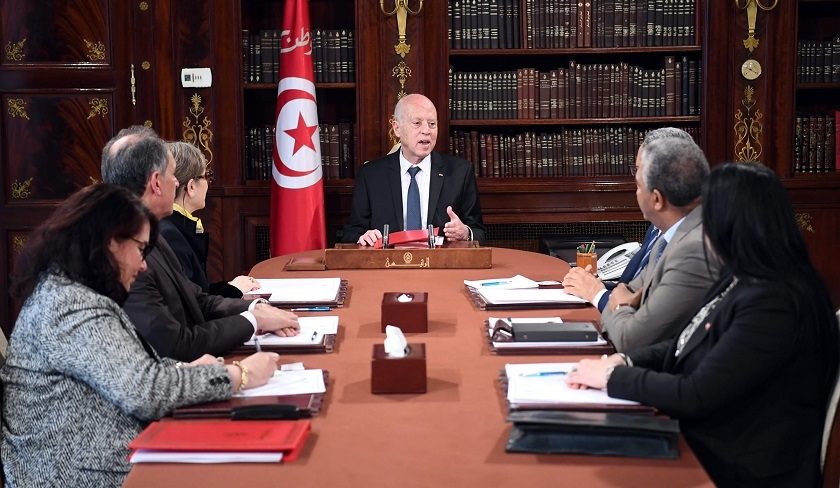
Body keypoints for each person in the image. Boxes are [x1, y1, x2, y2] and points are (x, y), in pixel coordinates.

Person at [566, 163, 839, 486]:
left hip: (740, 466)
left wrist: (613, 378)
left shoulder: (776, 301)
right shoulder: (747, 275)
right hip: (716, 439)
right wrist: (628, 360)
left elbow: (696, 395)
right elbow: (687, 342)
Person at [0, 184, 281, 487]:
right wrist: (239, 375)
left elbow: (129, 368)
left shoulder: (73, 291)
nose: (144, 264)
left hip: (100, 454)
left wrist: (181, 369)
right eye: (140, 249)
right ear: (110, 243)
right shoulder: (70, 305)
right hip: (75, 474)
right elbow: (145, 393)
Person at [101, 126, 299, 361]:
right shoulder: (125, 254)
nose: (177, 183)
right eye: (173, 175)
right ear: (156, 183)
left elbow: (196, 298)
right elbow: (176, 346)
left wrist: (254, 309)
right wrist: (253, 323)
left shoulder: (153, 233)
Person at [597, 136, 720, 351]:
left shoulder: (694, 250)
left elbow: (629, 339)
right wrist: (625, 302)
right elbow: (625, 291)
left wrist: (619, 303)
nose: (635, 193)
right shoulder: (670, 234)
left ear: (656, 199)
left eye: (638, 185)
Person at [562, 127, 697, 312]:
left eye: (639, 170)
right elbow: (631, 288)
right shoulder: (658, 225)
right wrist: (593, 285)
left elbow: (645, 309)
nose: (636, 178)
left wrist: (597, 294)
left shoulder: (685, 239)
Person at [341, 93, 486, 245]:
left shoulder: (460, 172)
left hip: (441, 265)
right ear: (397, 128)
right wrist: (363, 236)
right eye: (417, 123)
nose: (426, 131)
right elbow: (352, 232)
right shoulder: (370, 175)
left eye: (432, 124)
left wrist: (466, 233)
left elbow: (479, 232)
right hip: (389, 265)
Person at [161, 141, 256, 298]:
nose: (208, 184)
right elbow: (193, 303)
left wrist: (231, 286)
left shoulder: (174, 224)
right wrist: (233, 290)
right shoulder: (170, 234)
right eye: (207, 176)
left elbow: (197, 289)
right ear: (191, 187)